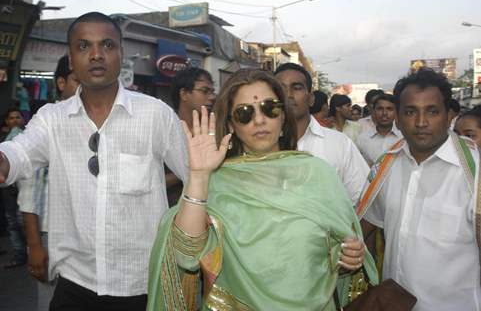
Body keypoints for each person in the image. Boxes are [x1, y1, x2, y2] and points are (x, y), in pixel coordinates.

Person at [0, 12, 188, 310]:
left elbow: (196, 176)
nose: (97, 54)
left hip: (141, 285)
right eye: (84, 46)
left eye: (108, 45)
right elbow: (19, 153)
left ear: (121, 54)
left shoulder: (156, 115)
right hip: (74, 285)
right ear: (71, 59)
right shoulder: (51, 119)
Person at [147, 69, 377, 310]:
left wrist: (348, 258)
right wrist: (199, 175)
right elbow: (186, 255)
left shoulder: (319, 174)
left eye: (270, 108)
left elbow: (336, 253)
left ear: (283, 117)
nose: (259, 120)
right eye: (244, 113)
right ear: (232, 125)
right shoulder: (215, 182)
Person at [358, 68, 481, 311]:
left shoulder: (475, 173)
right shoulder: (386, 166)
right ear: (399, 118)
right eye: (411, 112)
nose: (421, 122)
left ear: (449, 117)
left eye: (432, 111)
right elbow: (368, 225)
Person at [18, 55, 81, 311]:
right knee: (50, 302)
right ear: (61, 83)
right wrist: (34, 245)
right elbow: (29, 193)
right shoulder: (45, 126)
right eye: (78, 80)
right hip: (50, 234)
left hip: (85, 237)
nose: (85, 86)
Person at [274, 63, 369, 205]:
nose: (288, 95)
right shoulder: (259, 145)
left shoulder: (339, 144)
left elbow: (365, 201)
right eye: (281, 88)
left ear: (311, 98)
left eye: (297, 88)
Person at [166, 67, 216, 206]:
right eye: (205, 91)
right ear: (184, 94)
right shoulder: (165, 130)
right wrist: (191, 170)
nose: (212, 97)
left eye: (212, 92)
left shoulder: (215, 132)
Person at [2, 107, 27, 268]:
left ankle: (31, 250)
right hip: (9, 190)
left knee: (24, 221)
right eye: (11, 118)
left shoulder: (28, 139)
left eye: (18, 117)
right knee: (13, 222)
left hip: (24, 188)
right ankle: (20, 254)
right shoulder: (4, 140)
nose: (15, 120)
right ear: (6, 122)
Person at [357, 93, 403, 166]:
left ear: (396, 112)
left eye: (389, 109)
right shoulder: (362, 139)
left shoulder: (404, 138)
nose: (384, 113)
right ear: (374, 111)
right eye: (380, 109)